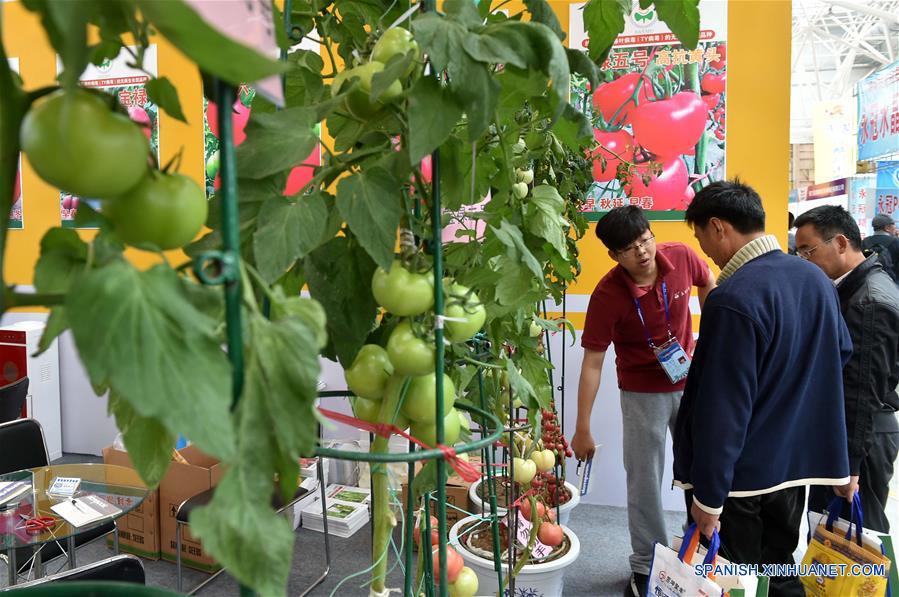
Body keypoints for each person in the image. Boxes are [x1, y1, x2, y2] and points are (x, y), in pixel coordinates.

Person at [673, 180, 852, 597]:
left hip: (741, 478)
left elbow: (723, 407)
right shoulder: (816, 280)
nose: (705, 250)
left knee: (735, 576)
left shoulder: (732, 298)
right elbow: (840, 354)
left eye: (701, 237)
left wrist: (709, 498)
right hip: (794, 469)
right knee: (779, 566)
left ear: (718, 227)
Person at [571, 205, 716, 597]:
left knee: (703, 467)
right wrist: (582, 427)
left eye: (645, 239)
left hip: (691, 383)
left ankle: (700, 545)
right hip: (641, 393)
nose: (642, 251)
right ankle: (646, 564)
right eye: (629, 248)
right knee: (645, 480)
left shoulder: (681, 256)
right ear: (614, 255)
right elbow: (592, 363)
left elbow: (708, 281)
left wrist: (711, 337)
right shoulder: (607, 295)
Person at [794, 206, 899, 533]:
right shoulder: (853, 287)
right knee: (830, 537)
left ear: (840, 243)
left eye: (808, 251)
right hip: (847, 434)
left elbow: (862, 390)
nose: (804, 261)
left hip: (860, 438)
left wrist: (850, 466)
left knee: (856, 543)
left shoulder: (869, 302)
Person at [862, 213, 899, 282]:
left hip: (869, 282)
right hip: (892, 282)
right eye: (894, 226)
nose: (895, 228)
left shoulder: (864, 242)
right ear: (887, 228)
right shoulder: (896, 242)